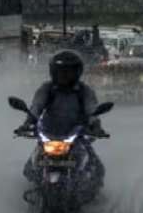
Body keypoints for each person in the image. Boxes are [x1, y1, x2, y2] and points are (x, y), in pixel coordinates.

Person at [16, 50, 107, 185]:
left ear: (77, 72)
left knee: (96, 168)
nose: (64, 75)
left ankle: (92, 189)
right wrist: (28, 123)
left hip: (76, 135)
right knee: (29, 169)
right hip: (49, 134)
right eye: (60, 71)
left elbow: (91, 109)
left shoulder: (84, 91)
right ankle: (35, 186)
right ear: (53, 72)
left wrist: (96, 126)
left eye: (68, 71)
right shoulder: (47, 89)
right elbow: (36, 107)